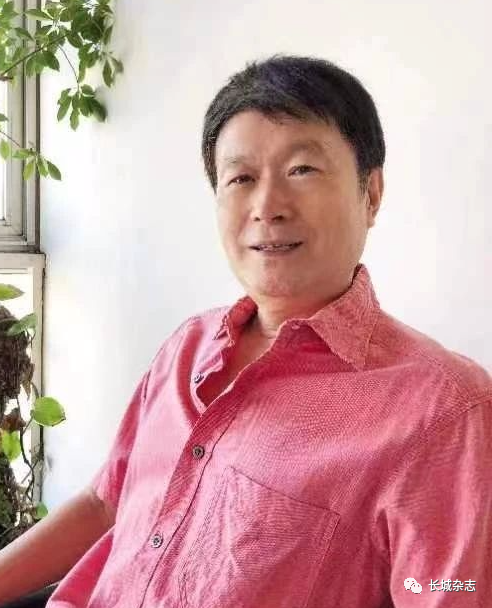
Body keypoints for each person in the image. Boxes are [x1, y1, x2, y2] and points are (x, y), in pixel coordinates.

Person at [0, 53, 491, 608]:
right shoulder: (188, 347)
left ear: (370, 193)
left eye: (302, 170)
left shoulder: (442, 409)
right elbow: (104, 503)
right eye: (241, 178)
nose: (267, 206)